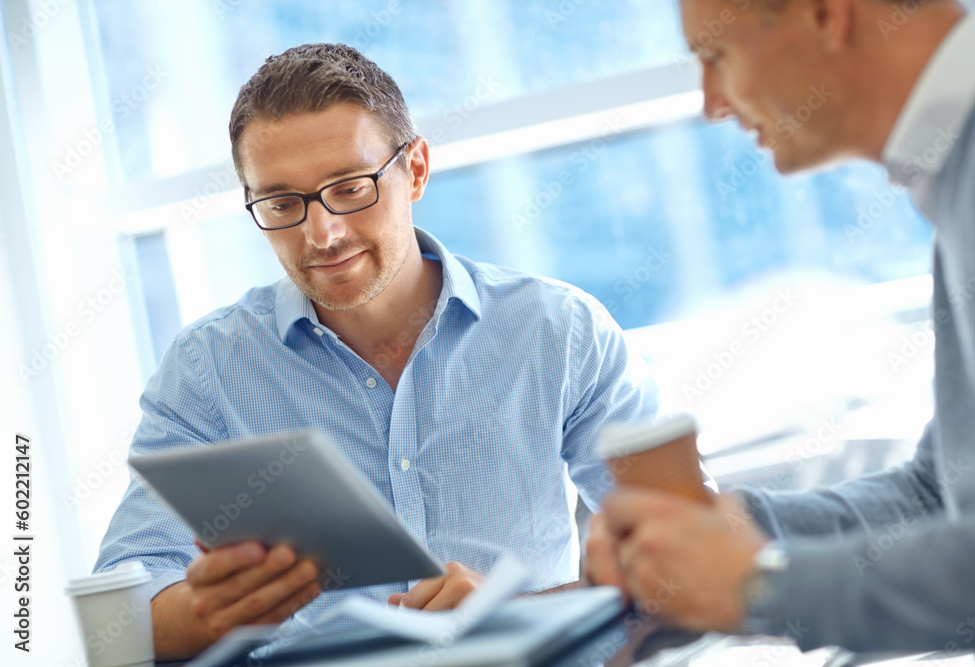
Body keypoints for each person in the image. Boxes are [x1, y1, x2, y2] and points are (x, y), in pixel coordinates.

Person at [95, 43, 662, 660]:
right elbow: (123, 613)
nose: (323, 233)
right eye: (283, 204)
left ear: (415, 169)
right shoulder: (206, 370)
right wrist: (210, 611)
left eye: (350, 187)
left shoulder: (560, 331)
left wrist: (513, 617)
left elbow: (685, 559)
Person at [586, 0, 975, 659]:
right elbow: (944, 492)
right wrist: (730, 534)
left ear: (825, 14)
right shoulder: (967, 169)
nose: (711, 103)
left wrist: (761, 586)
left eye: (716, 56)